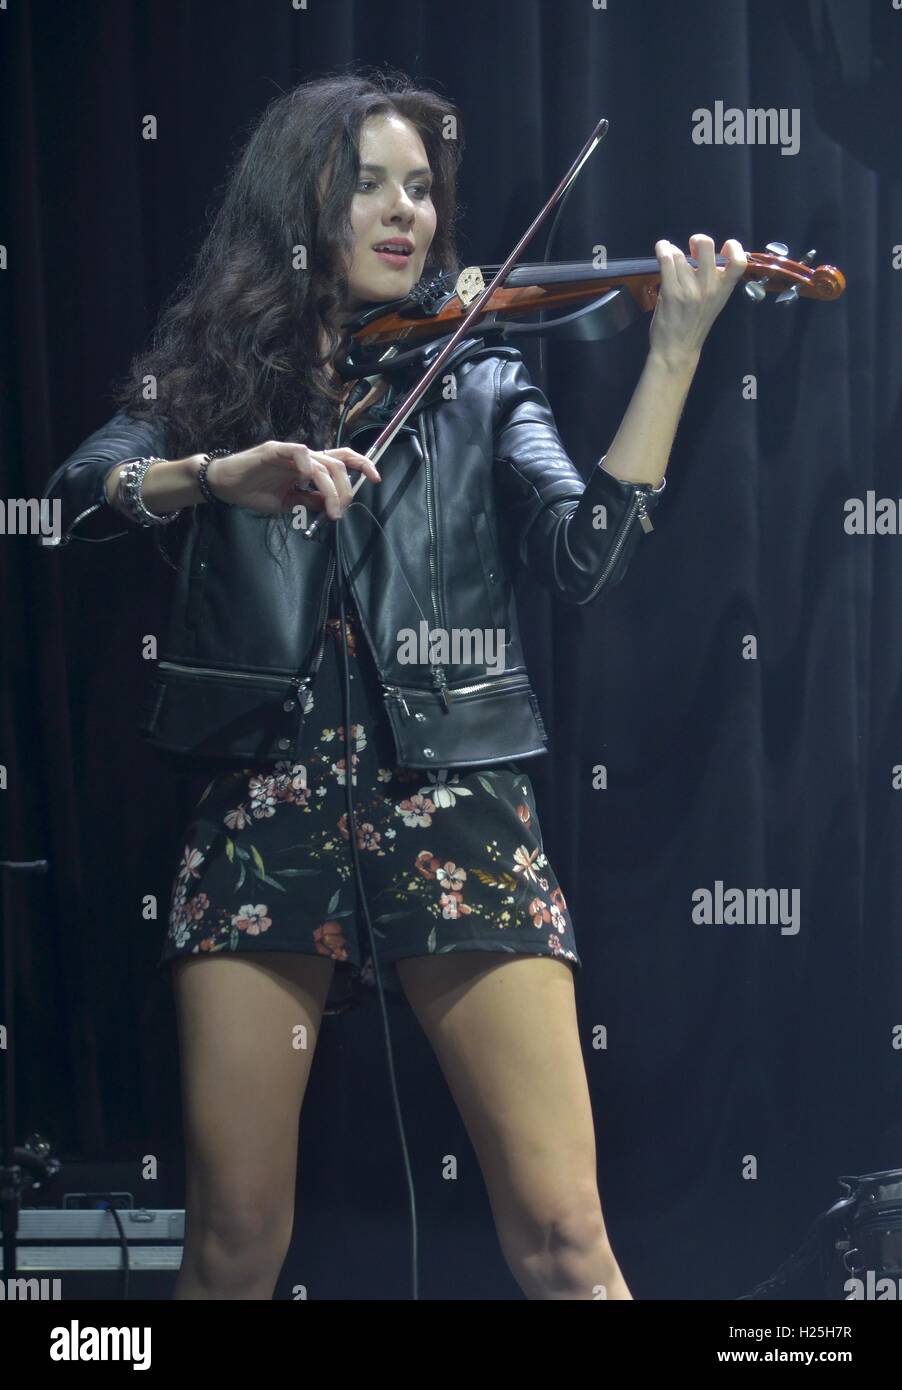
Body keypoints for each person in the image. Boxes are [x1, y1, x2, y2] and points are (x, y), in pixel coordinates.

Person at [45, 68, 747, 1300]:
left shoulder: (476, 377)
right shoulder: (209, 380)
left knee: (563, 1239)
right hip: (265, 806)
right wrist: (217, 475)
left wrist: (673, 355)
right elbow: (70, 498)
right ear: (293, 203)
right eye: (365, 181)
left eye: (421, 188)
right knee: (231, 1243)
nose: (401, 211)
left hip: (455, 803)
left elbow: (585, 559)